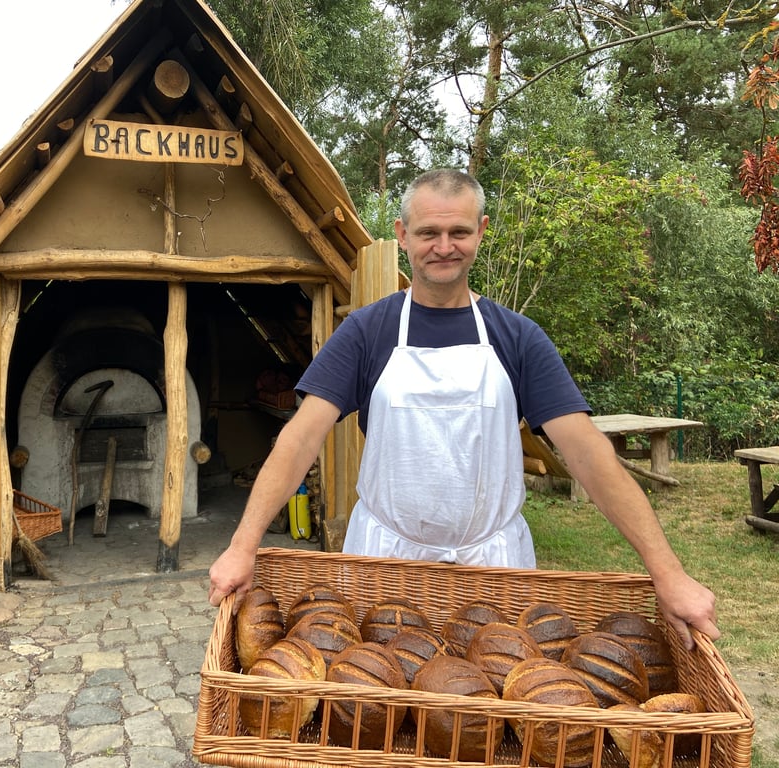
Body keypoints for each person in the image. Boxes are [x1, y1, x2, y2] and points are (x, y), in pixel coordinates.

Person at [208, 168, 719, 650]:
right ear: (402, 234)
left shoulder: (518, 338)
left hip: (494, 565)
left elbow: (587, 453)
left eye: (459, 232)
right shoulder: (367, 332)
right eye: (429, 232)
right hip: (387, 560)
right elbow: (301, 437)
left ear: (482, 231)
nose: (444, 247)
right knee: (377, 701)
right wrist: (242, 546)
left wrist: (666, 572)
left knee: (490, 710)